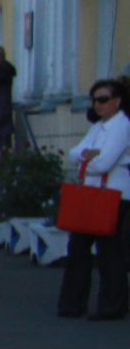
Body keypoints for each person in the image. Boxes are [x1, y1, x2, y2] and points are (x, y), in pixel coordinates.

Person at [57, 78, 130, 320]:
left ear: (117, 101)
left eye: (103, 100)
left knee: (109, 252)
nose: (98, 105)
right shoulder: (98, 127)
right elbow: (75, 152)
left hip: (114, 195)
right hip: (91, 193)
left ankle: (112, 306)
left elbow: (104, 162)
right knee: (77, 248)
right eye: (95, 100)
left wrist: (87, 158)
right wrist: (89, 156)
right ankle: (72, 304)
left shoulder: (122, 126)